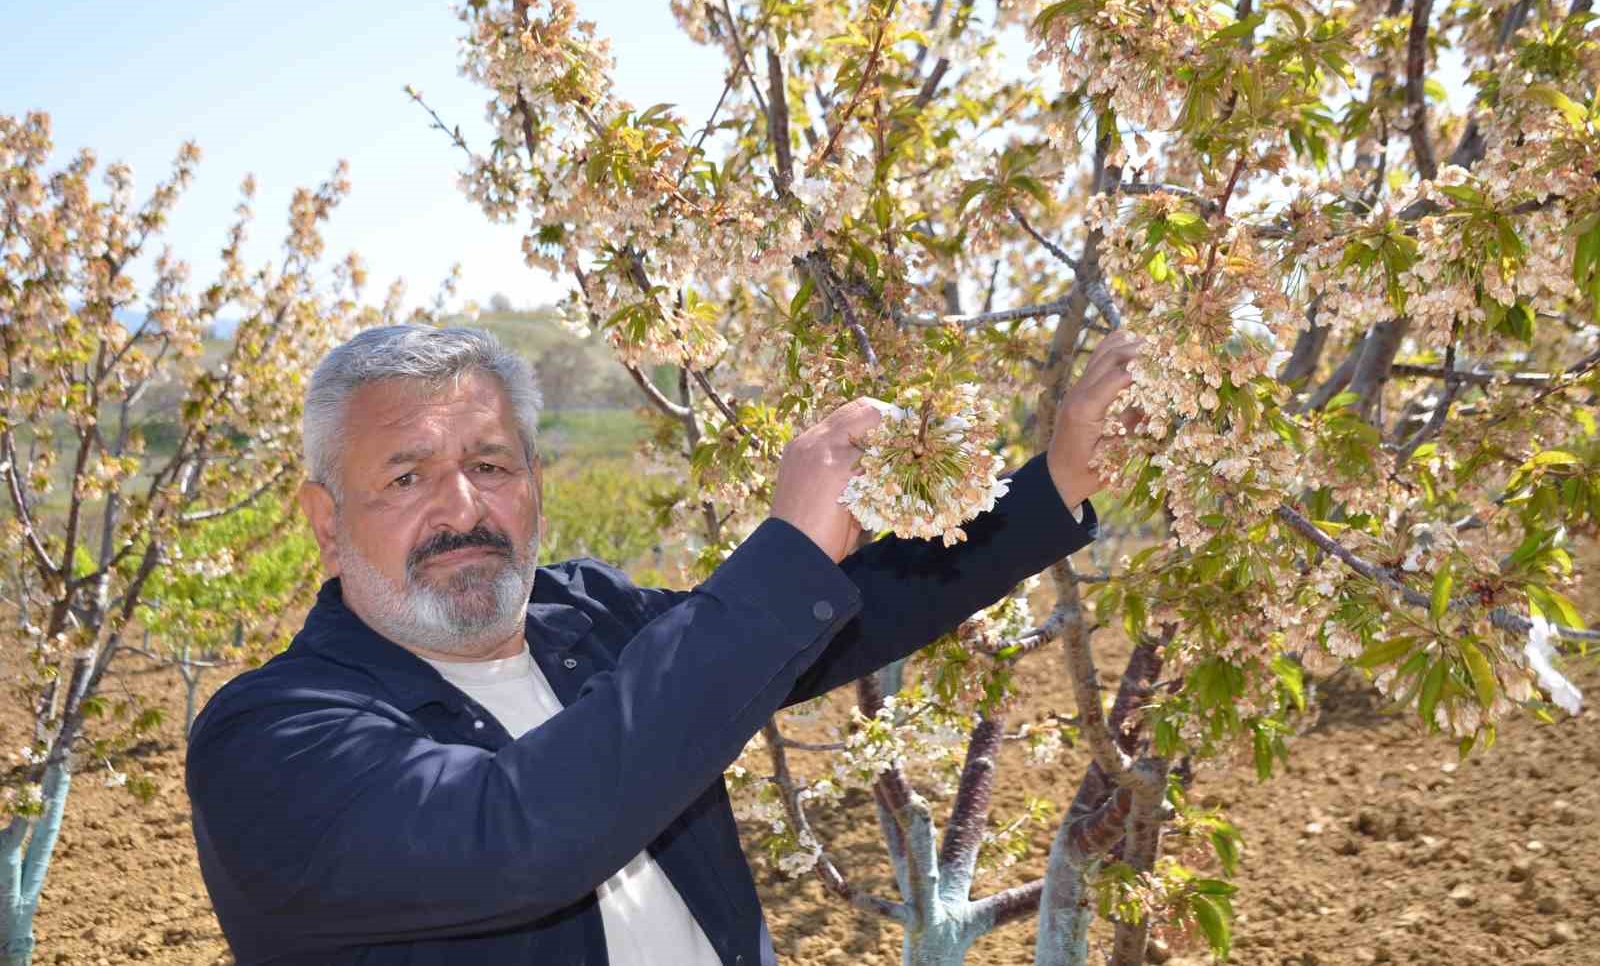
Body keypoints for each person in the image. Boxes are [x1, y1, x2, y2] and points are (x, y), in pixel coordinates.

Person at [187, 323, 1137, 966]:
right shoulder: (271, 738)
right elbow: (517, 832)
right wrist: (784, 558)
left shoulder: (584, 618)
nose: (463, 508)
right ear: (325, 516)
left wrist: (1051, 482)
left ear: (535, 486)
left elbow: (839, 618)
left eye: (490, 464)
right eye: (406, 476)